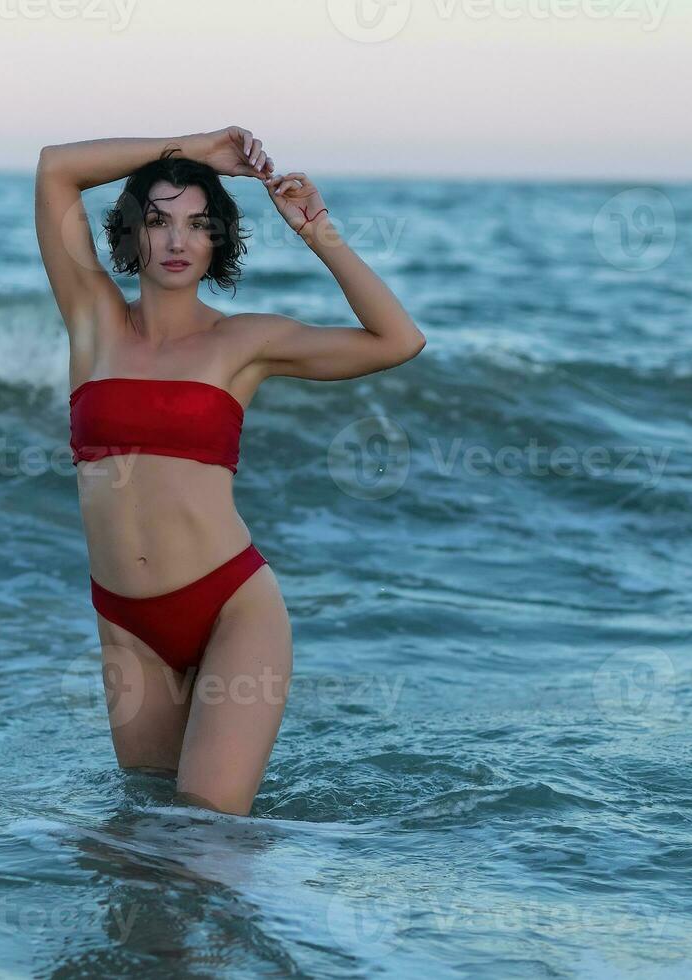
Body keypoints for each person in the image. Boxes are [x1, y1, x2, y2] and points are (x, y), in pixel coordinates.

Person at [35, 126, 426, 816]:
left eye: (197, 224)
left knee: (205, 838)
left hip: (231, 609)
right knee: (147, 849)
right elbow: (55, 169)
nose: (178, 241)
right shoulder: (92, 320)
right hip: (127, 625)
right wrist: (198, 148)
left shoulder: (243, 343)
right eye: (158, 221)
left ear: (218, 240)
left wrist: (318, 232)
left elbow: (398, 340)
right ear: (131, 235)